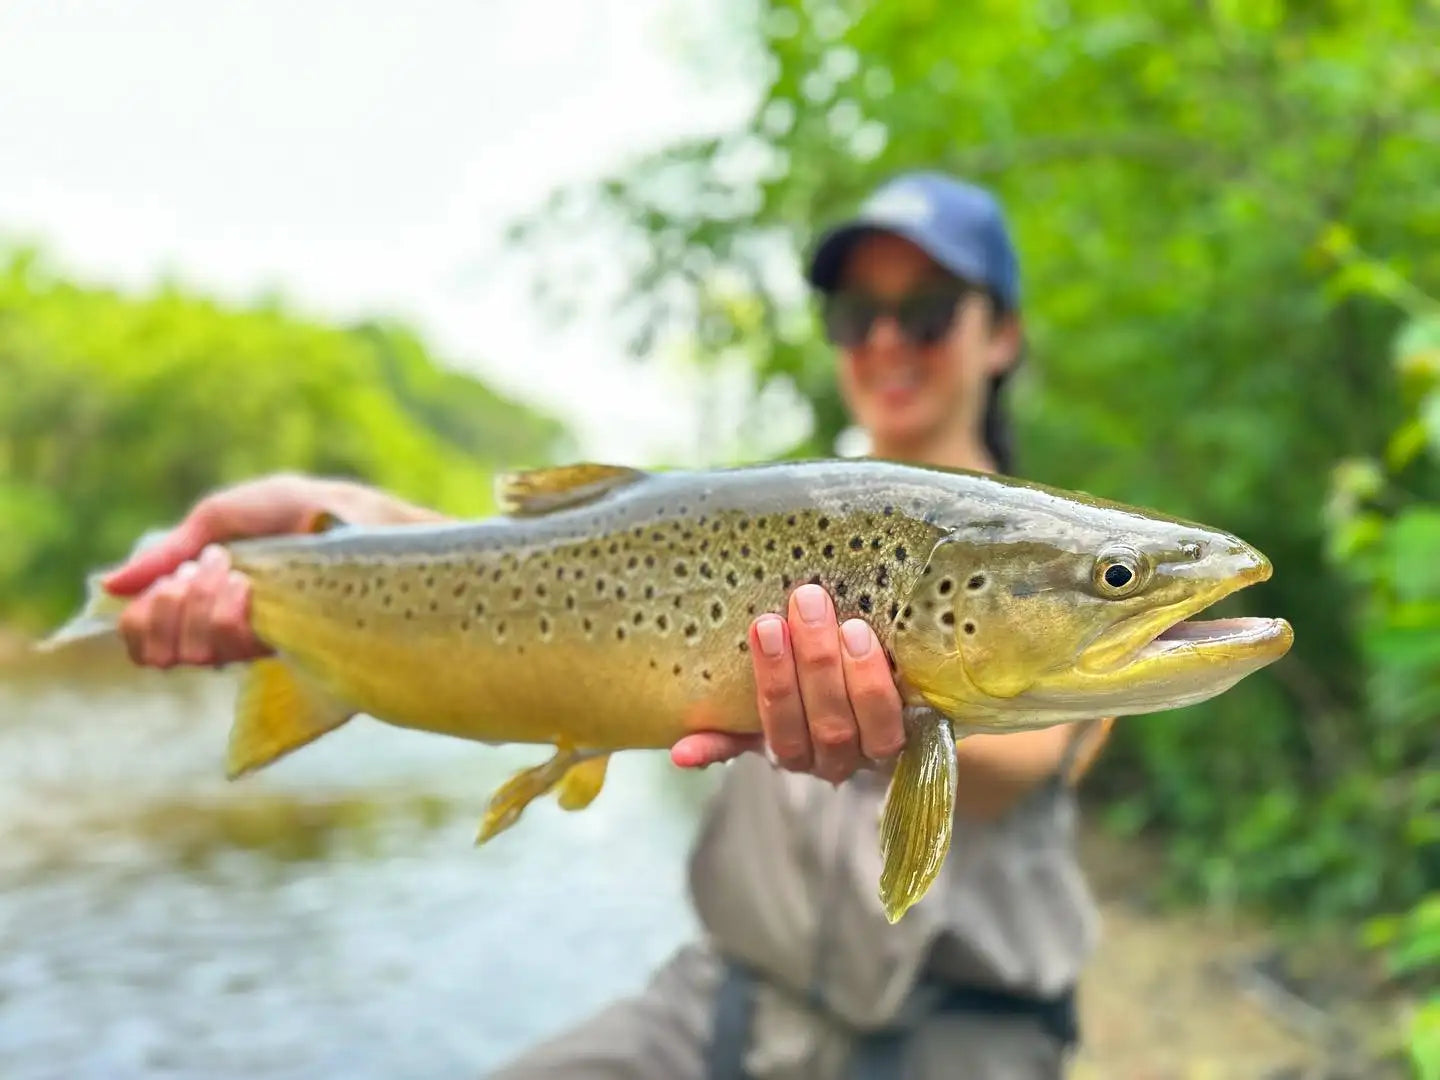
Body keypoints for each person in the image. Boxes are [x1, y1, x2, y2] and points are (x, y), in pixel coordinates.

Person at [105, 171, 1113, 1079]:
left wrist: (911, 701)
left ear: (1004, 334)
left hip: (959, 1037)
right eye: (858, 316)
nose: (888, 341)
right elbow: (546, 571)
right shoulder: (767, 509)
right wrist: (344, 533)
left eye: (928, 312)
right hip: (724, 1007)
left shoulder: (1059, 554)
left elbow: (1047, 746)